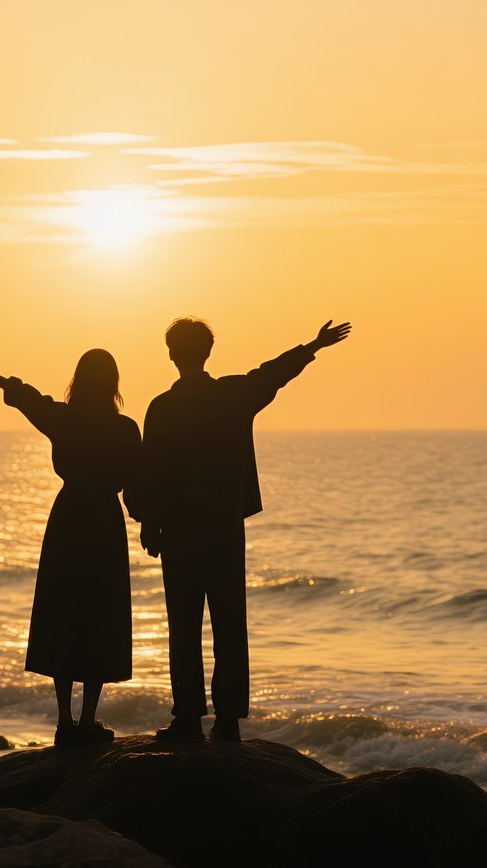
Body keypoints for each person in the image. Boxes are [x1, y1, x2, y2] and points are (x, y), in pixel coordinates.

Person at [135, 318, 351, 742]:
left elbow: (149, 471)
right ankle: (228, 719)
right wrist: (313, 345)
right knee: (229, 621)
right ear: (208, 353)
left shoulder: (162, 406)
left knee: (183, 625)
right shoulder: (232, 395)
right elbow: (273, 373)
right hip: (223, 527)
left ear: (172, 355)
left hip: (179, 528)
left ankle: (187, 719)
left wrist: (147, 522)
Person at [0, 347, 141, 746]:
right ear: (113, 384)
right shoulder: (125, 429)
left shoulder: (64, 419)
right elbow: (136, 483)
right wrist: (152, 522)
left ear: (78, 380)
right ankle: (88, 721)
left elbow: (25, 396)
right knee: (99, 616)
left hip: (68, 519)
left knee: (63, 612)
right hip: (104, 523)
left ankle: (63, 722)